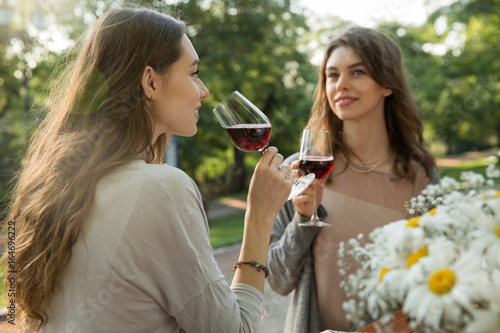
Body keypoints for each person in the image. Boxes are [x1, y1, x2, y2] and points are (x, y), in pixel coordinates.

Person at [2, 6, 295, 332]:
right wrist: (259, 217)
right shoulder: (160, 189)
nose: (204, 90)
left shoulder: (50, 189)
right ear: (151, 82)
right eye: (193, 73)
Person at [267, 26, 440, 332]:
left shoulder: (420, 173)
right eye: (332, 75)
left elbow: (440, 271)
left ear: (387, 83)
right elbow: (278, 281)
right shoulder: (301, 170)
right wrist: (303, 221)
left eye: (356, 72)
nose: (341, 85)